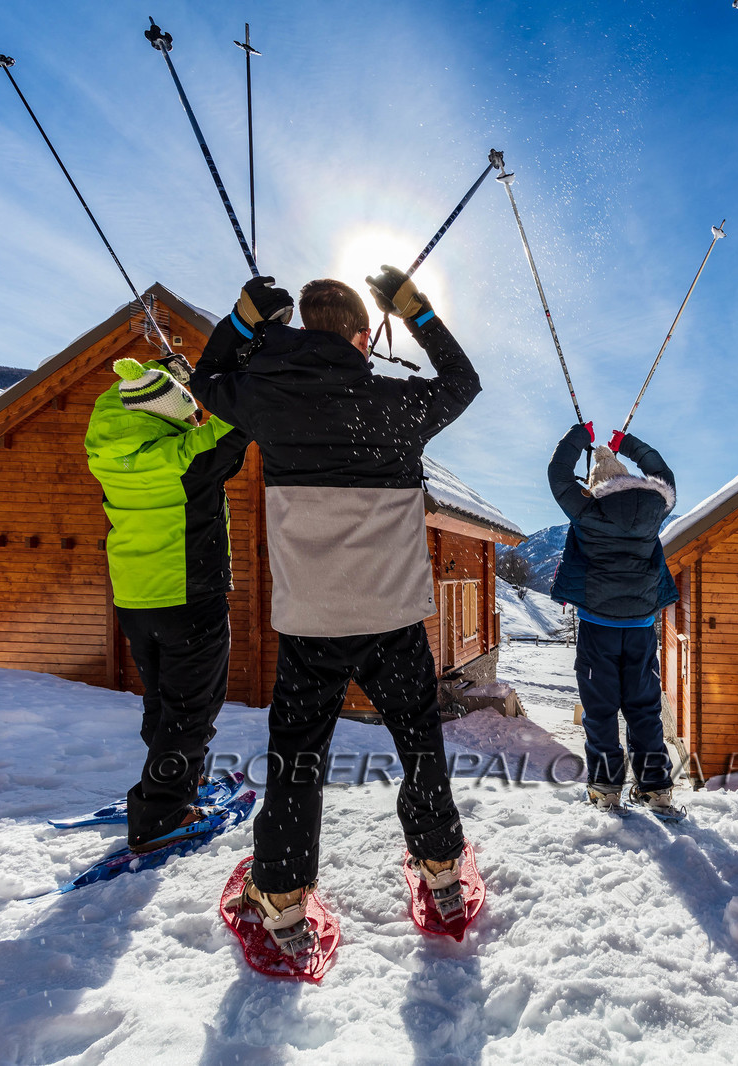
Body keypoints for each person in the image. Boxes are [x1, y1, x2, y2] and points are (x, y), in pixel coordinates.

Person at [190, 270, 478, 950]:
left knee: (297, 758)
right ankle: (440, 871)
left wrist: (241, 323)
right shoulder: (396, 403)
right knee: (419, 744)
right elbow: (462, 382)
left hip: (312, 622)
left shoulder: (269, 399)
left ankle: (283, 897)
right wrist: (418, 312)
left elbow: (206, 380)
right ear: (362, 336)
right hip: (394, 616)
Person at [84, 353, 250, 852]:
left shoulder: (107, 444)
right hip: (188, 597)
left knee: (164, 701)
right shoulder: (186, 460)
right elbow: (240, 418)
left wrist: (166, 377)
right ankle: (162, 814)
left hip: (136, 598)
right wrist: (230, 374)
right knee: (193, 708)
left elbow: (132, 397)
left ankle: (172, 784)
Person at [548, 424, 680, 815]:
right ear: (628, 479)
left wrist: (579, 436)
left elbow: (558, 473)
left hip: (597, 628)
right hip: (640, 629)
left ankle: (606, 788)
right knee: (644, 709)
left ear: (594, 486)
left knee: (601, 709)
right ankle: (655, 789)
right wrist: (627, 443)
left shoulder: (587, 511)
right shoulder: (655, 507)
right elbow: (662, 472)